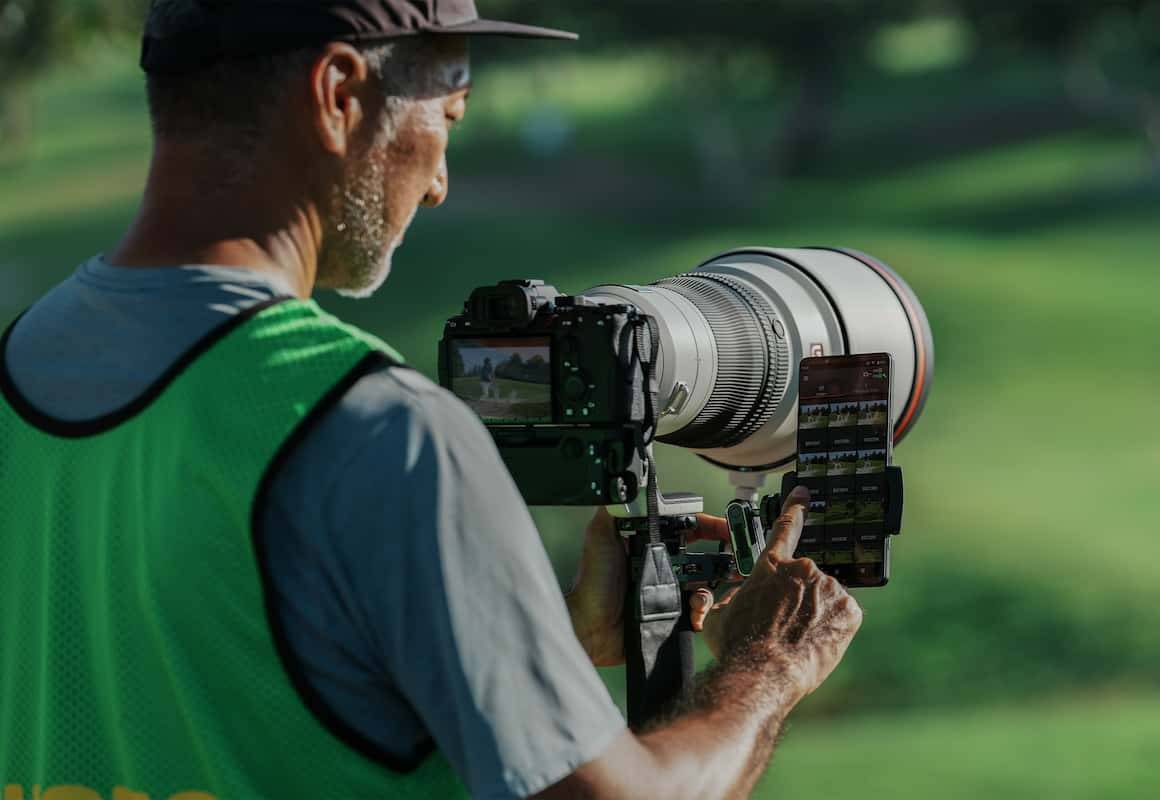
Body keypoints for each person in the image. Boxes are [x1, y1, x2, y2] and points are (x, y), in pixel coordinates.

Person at [0, 2, 863, 799]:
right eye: (446, 116)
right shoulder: (374, 427)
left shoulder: (19, 365)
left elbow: (206, 681)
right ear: (339, 95)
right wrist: (769, 668)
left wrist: (534, 649)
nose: (440, 181)